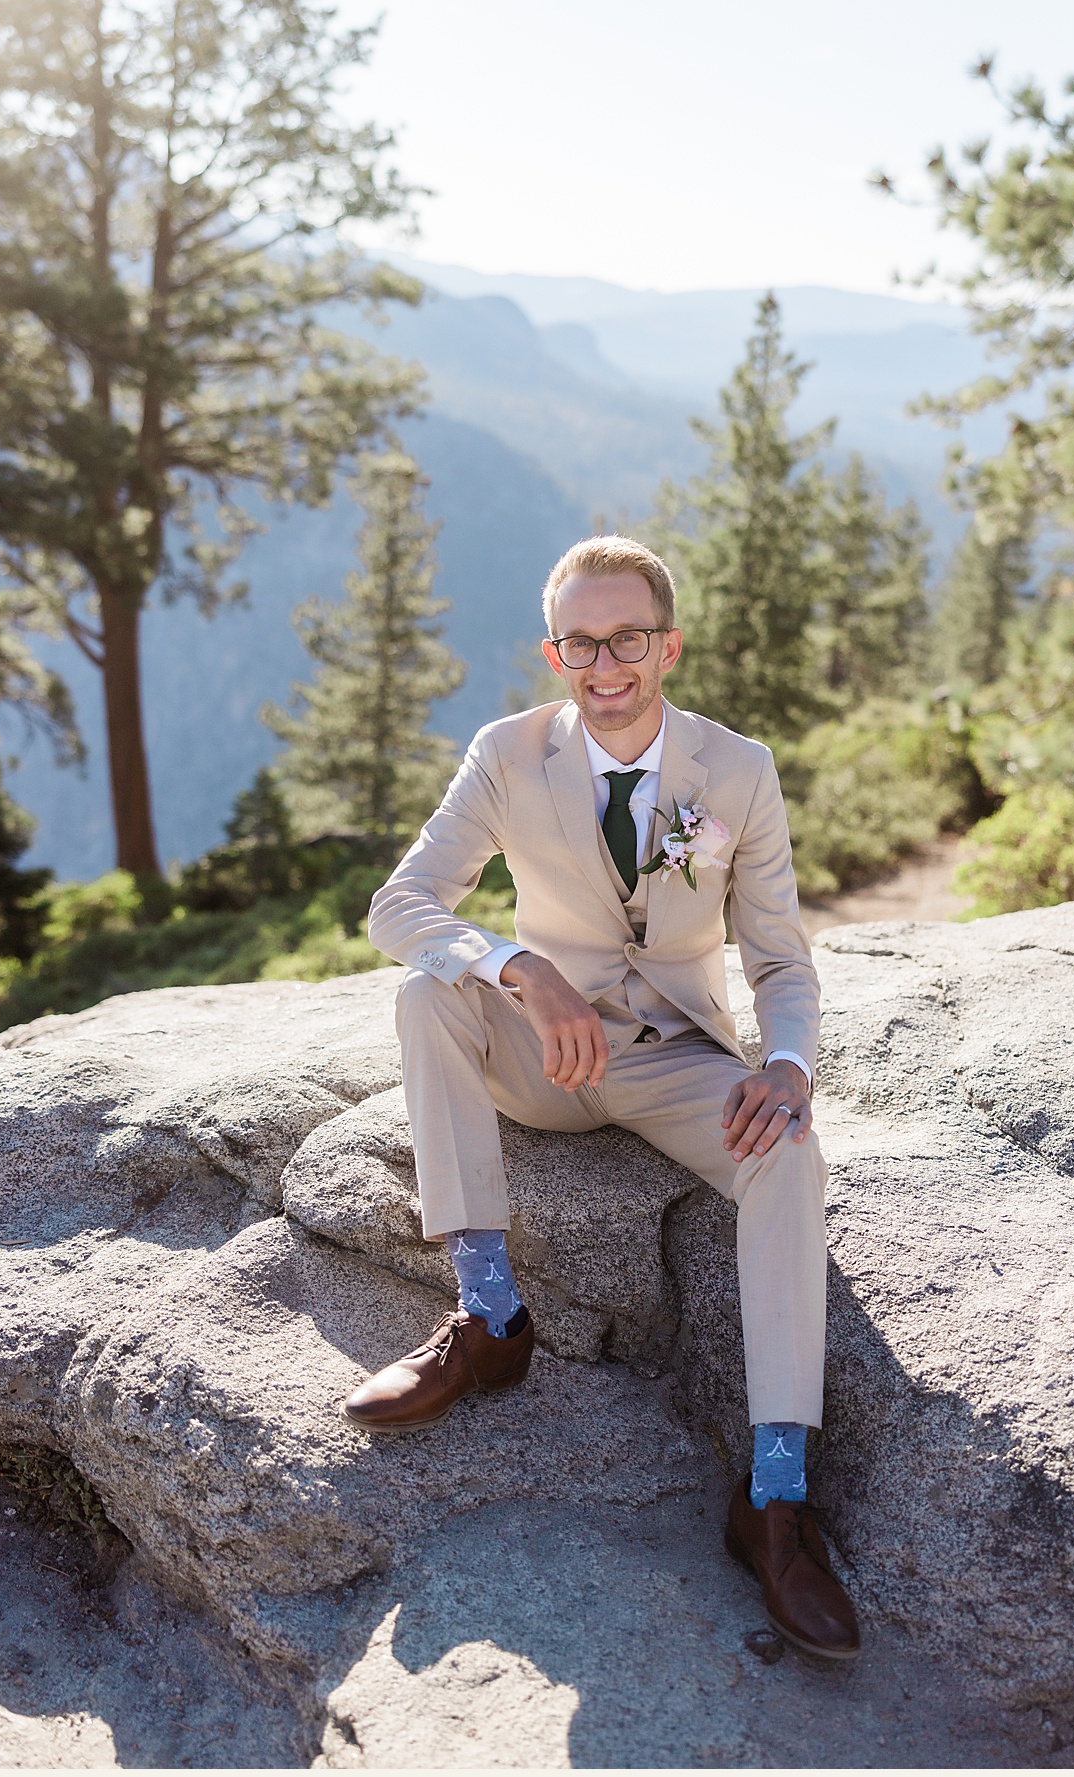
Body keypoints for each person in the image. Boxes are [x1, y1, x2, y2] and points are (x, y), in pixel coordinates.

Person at [347, 535, 858, 1661]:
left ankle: (772, 1498)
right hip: (545, 1051)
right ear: (552, 651)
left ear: (666, 644)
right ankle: (488, 1315)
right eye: (580, 641)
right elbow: (402, 906)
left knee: (788, 1149)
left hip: (677, 1056)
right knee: (425, 997)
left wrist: (787, 1064)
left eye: (626, 637)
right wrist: (514, 970)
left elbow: (779, 959)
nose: (604, 661)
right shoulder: (506, 752)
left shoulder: (736, 771)